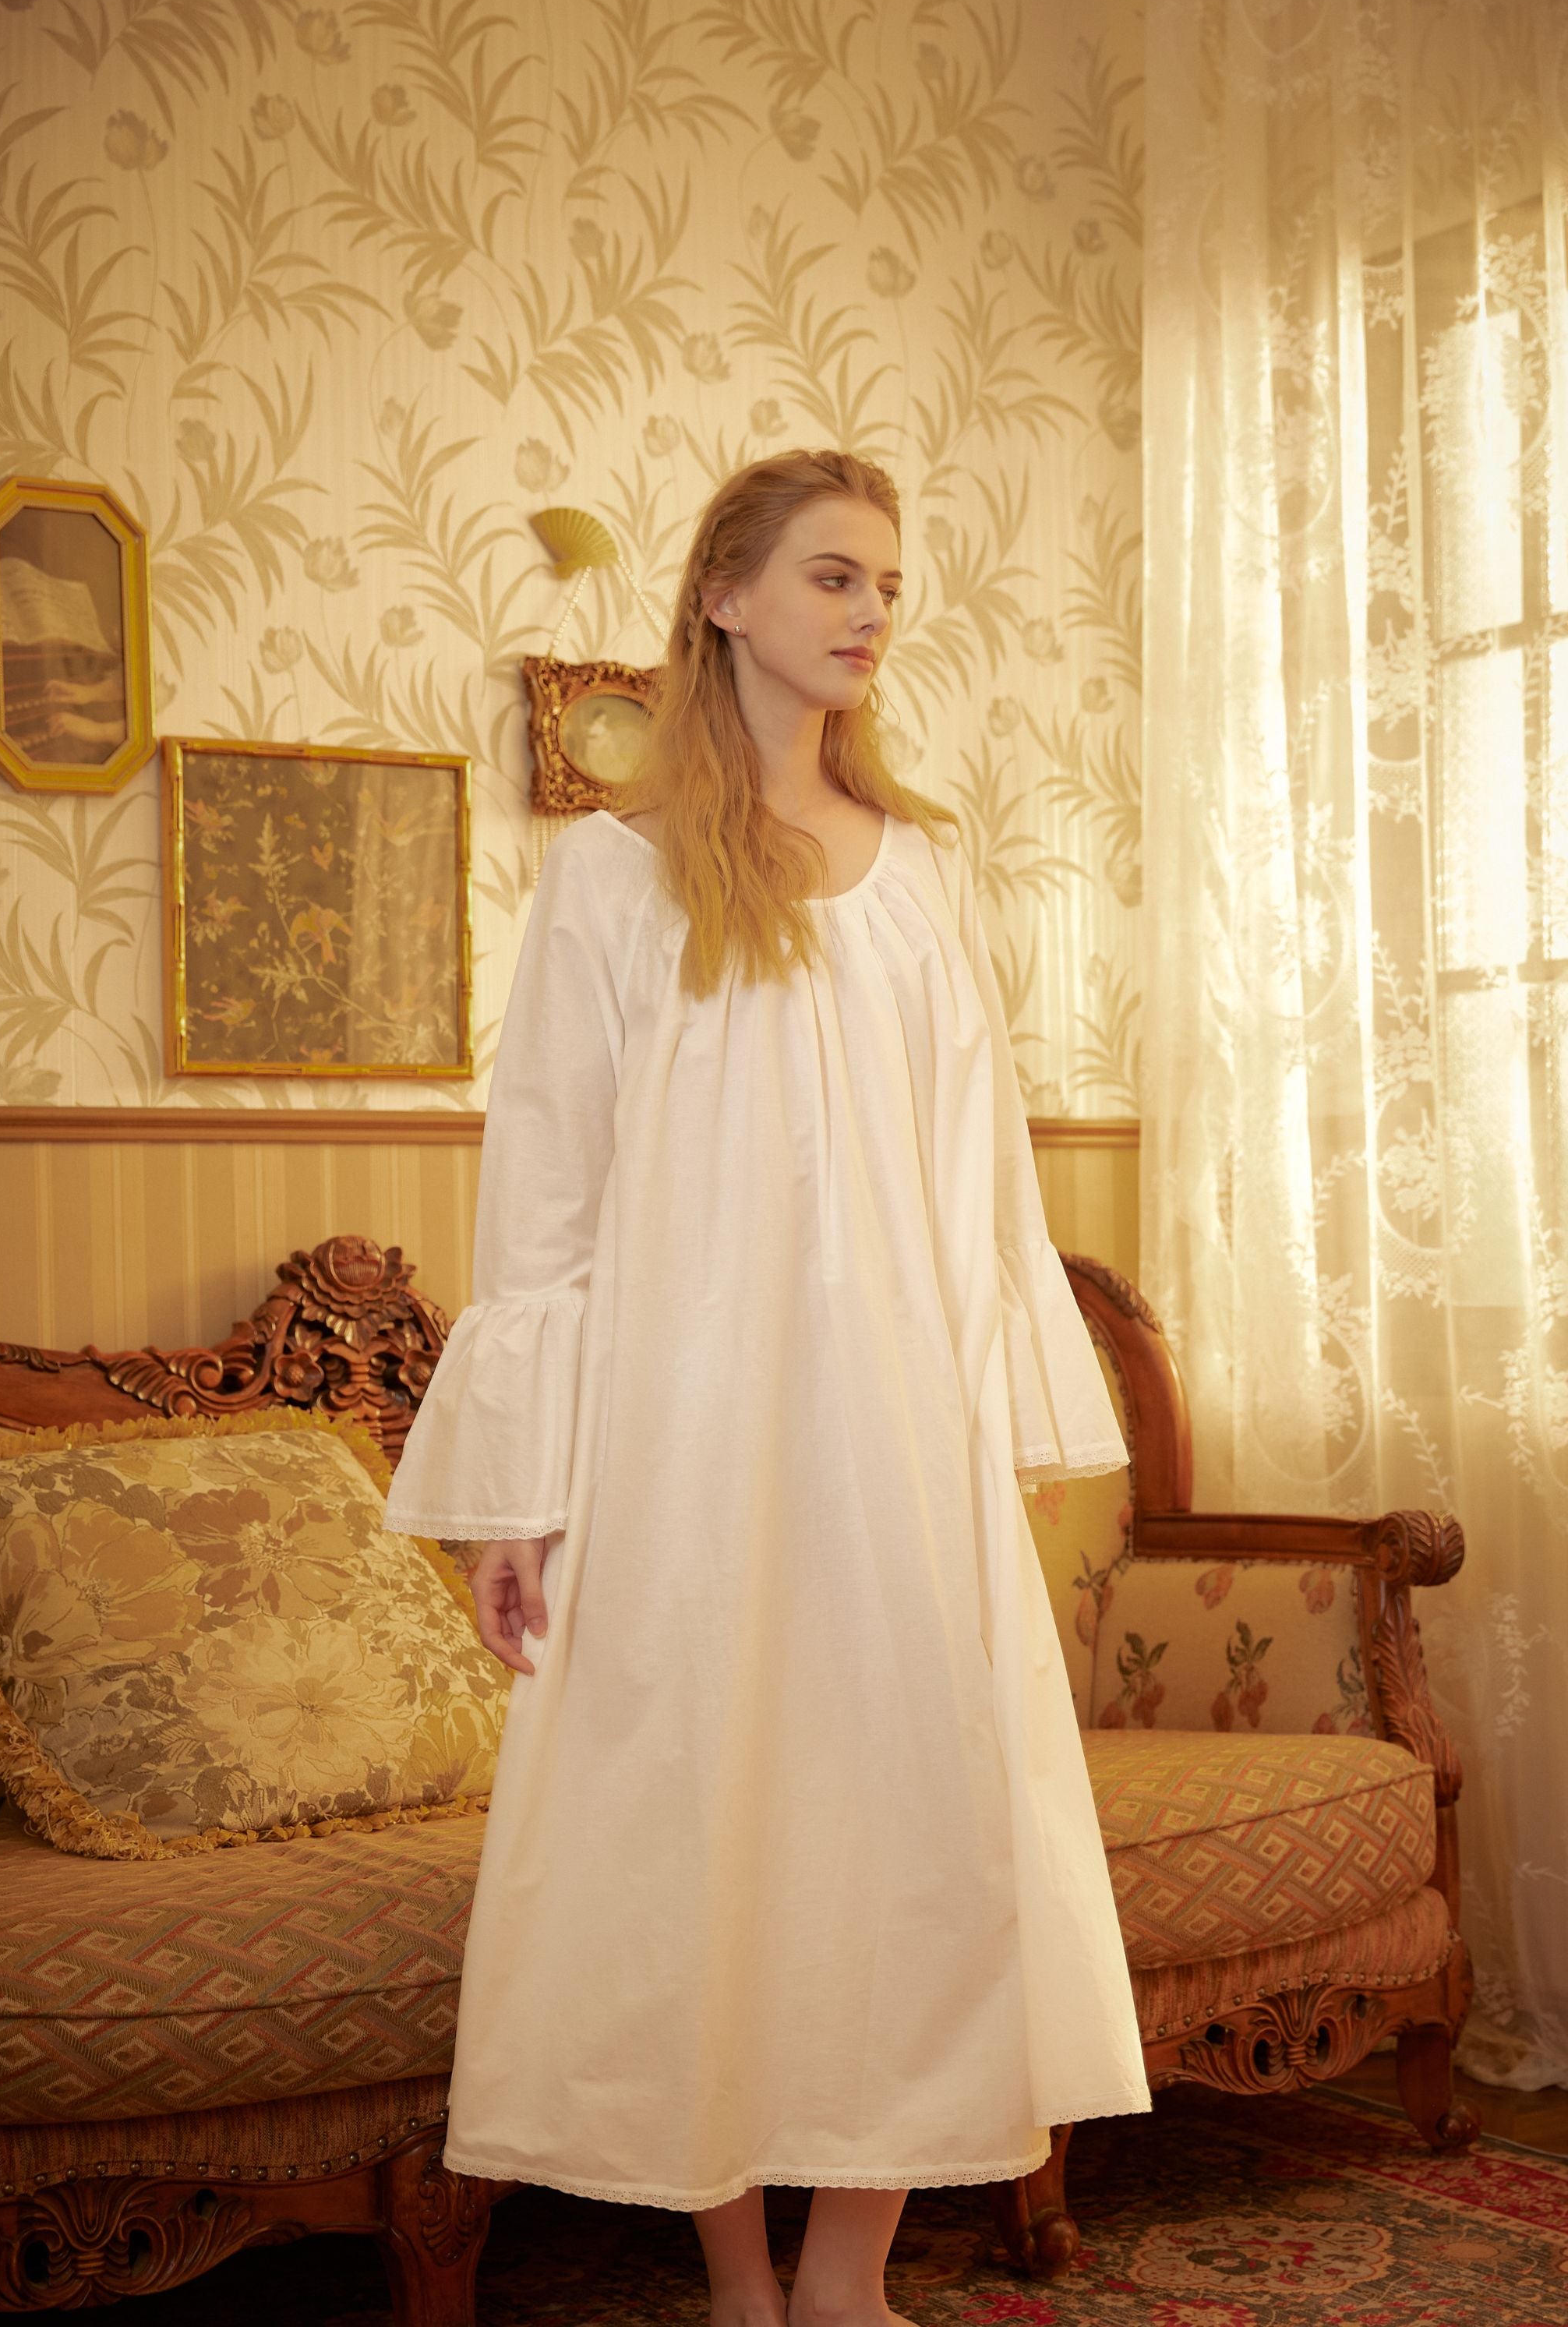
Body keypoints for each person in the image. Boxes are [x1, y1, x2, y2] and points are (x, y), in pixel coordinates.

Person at [381, 447, 1150, 2327]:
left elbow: (983, 1186)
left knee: (911, 1827)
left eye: (887, 580)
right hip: (681, 1442)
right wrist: (519, 1496)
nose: (873, 610)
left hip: (902, 1444)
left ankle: (847, 2275)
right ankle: (735, 2276)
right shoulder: (611, 873)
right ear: (722, 595)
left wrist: (1012, 1451)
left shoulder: (931, 883)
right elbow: (546, 1194)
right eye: (830, 576)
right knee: (684, 1835)